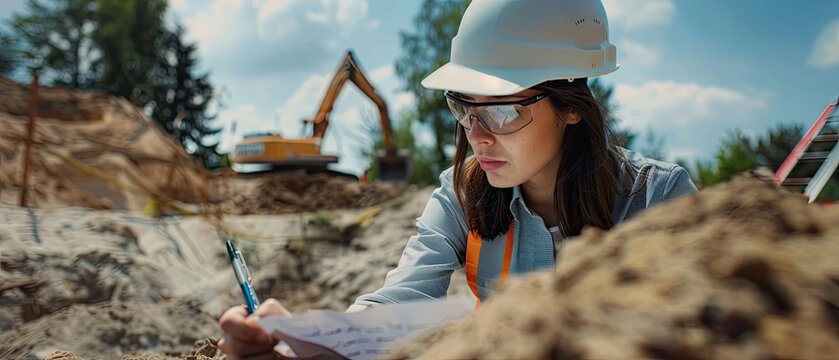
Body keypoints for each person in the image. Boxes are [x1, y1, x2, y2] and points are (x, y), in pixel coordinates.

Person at [218, 0, 697, 358]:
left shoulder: (659, 200)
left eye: (503, 112)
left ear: (571, 106)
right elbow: (397, 302)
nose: (478, 136)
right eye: (464, 109)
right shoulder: (460, 194)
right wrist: (305, 342)